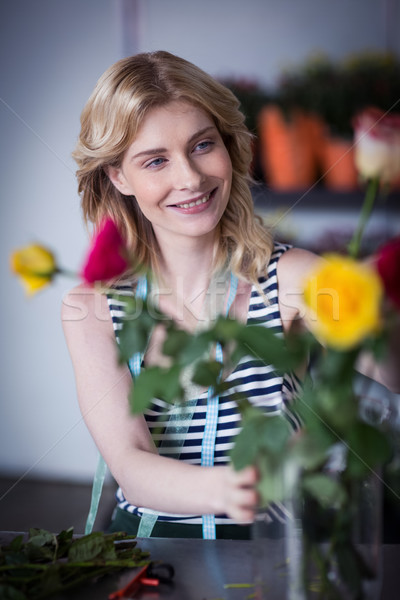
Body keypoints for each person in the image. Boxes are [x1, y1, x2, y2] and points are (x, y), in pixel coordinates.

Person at [62, 50, 399, 540]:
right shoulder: (91, 307)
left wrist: (380, 313)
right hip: (145, 550)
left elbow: (388, 375)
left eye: (202, 145)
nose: (191, 178)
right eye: (156, 160)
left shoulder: (292, 277)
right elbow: (131, 466)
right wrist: (236, 489)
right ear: (118, 176)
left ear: (229, 145)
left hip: (275, 551)